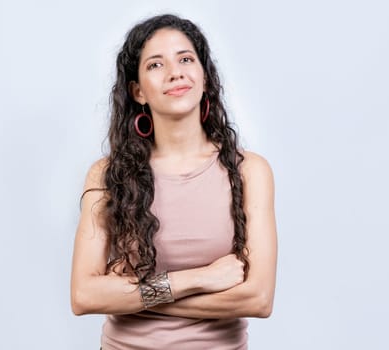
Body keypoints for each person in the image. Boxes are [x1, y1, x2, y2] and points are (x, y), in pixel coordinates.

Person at [70, 14, 277, 349]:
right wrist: (203, 279)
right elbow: (84, 295)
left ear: (205, 78)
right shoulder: (108, 175)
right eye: (155, 64)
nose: (175, 72)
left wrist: (133, 295)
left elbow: (258, 298)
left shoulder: (249, 171)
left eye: (185, 59)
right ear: (137, 91)